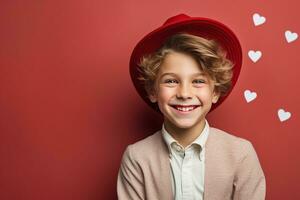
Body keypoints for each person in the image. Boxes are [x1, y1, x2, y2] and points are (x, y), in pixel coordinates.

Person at [117, 13, 266, 200]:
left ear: (215, 92)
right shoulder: (136, 158)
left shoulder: (241, 155)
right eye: (171, 81)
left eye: (198, 81)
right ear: (152, 91)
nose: (184, 93)